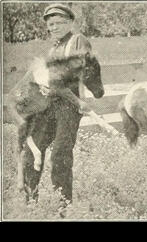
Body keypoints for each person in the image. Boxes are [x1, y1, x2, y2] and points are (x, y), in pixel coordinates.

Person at [20, 4, 93, 206]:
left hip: (68, 106)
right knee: (31, 150)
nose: (54, 27)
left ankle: (64, 206)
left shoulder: (77, 41)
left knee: (60, 153)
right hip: (48, 106)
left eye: (59, 23)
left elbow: (74, 72)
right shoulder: (53, 47)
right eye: (51, 24)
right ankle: (30, 202)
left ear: (70, 22)